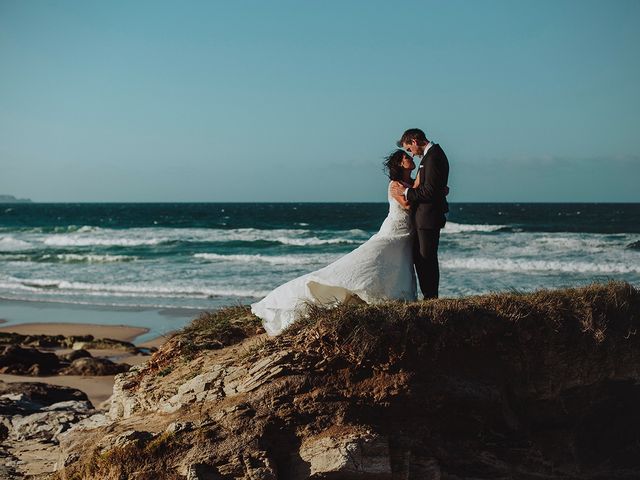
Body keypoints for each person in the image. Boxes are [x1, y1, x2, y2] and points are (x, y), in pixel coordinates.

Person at [251, 150, 419, 336]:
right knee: (374, 259)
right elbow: (407, 205)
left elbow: (418, 193)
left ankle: (396, 296)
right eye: (407, 157)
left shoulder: (410, 183)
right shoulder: (395, 185)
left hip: (407, 233)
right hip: (394, 229)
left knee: (398, 263)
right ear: (399, 164)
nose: (411, 159)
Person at [390, 128, 449, 299]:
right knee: (423, 258)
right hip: (426, 216)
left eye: (409, 149)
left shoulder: (433, 157)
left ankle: (431, 297)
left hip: (428, 217)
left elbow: (428, 191)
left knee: (426, 258)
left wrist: (406, 193)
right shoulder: (431, 156)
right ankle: (430, 295)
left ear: (414, 141)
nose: (412, 154)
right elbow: (432, 188)